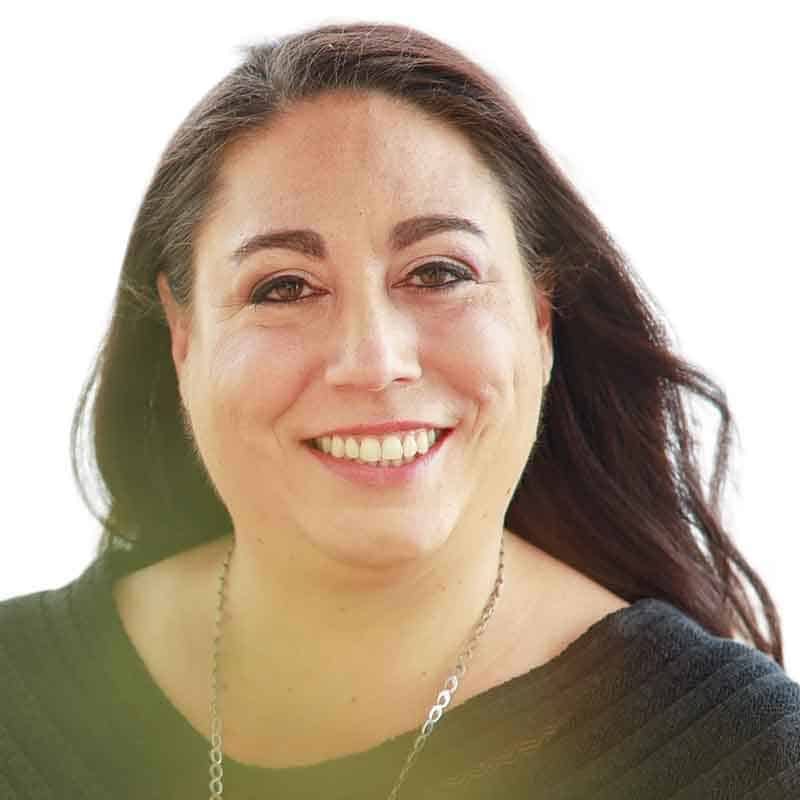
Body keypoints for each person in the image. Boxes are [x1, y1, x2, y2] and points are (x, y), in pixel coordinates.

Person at [1, 21, 798, 800]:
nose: (374, 362)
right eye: (283, 287)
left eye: (440, 273)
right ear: (183, 333)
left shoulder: (750, 762)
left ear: (541, 313)